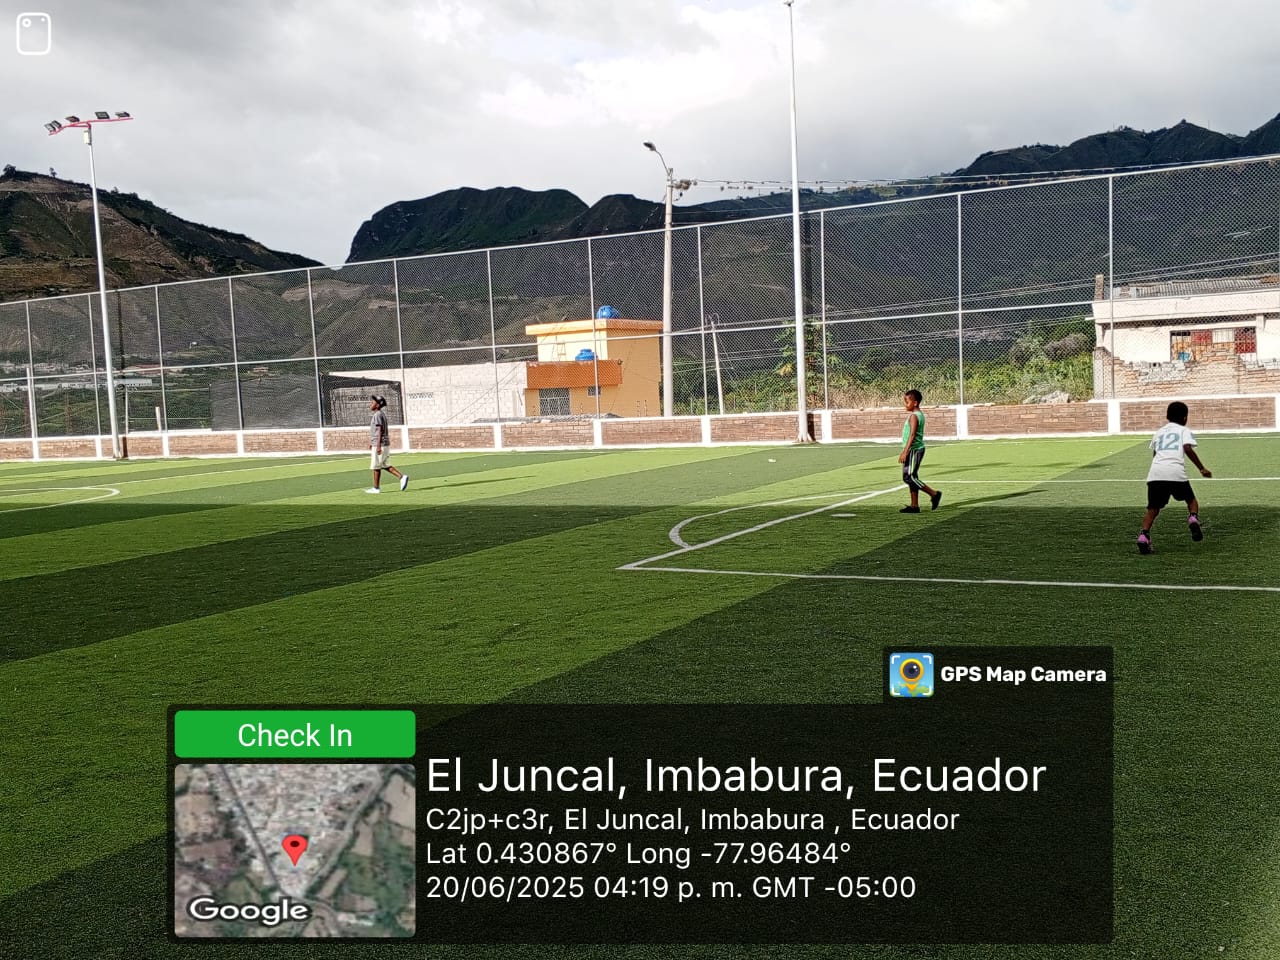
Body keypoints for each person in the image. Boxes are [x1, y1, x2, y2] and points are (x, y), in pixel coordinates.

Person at [1137, 400, 1210, 554]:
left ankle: (1143, 536)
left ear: (1167, 416)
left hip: (1156, 474)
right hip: (1175, 473)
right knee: (1191, 501)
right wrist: (1201, 468)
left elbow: (1155, 454)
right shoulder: (1184, 431)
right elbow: (1187, 448)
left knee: (1152, 509)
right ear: (1185, 418)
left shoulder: (1159, 432)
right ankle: (1193, 518)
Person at [898, 389, 941, 514]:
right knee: (913, 476)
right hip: (915, 450)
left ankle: (934, 494)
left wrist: (905, 451)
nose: (905, 405)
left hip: (914, 450)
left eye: (907, 402)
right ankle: (914, 506)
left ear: (915, 403)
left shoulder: (914, 416)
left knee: (908, 477)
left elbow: (912, 435)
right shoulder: (919, 415)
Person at [366, 395, 408, 494]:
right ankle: (402, 477)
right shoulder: (380, 414)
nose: (370, 404)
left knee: (376, 466)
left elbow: (379, 430)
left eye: (372, 402)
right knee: (385, 465)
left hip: (380, 444)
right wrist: (372, 442)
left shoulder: (377, 415)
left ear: (377, 405)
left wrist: (378, 445)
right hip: (383, 443)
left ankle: (376, 488)